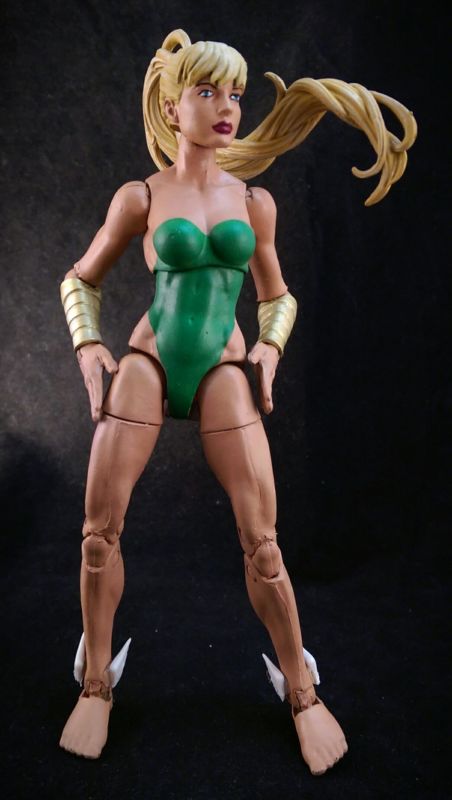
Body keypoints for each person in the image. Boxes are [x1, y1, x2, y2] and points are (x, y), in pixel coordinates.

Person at [58, 29, 416, 773]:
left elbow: (277, 296)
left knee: (264, 544)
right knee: (97, 534)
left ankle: (303, 693)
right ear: (172, 106)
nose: (227, 107)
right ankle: (95, 684)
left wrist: (270, 345)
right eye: (208, 92)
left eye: (236, 94)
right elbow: (81, 277)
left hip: (223, 367)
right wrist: (88, 344)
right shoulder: (140, 196)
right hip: (149, 361)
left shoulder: (254, 202)